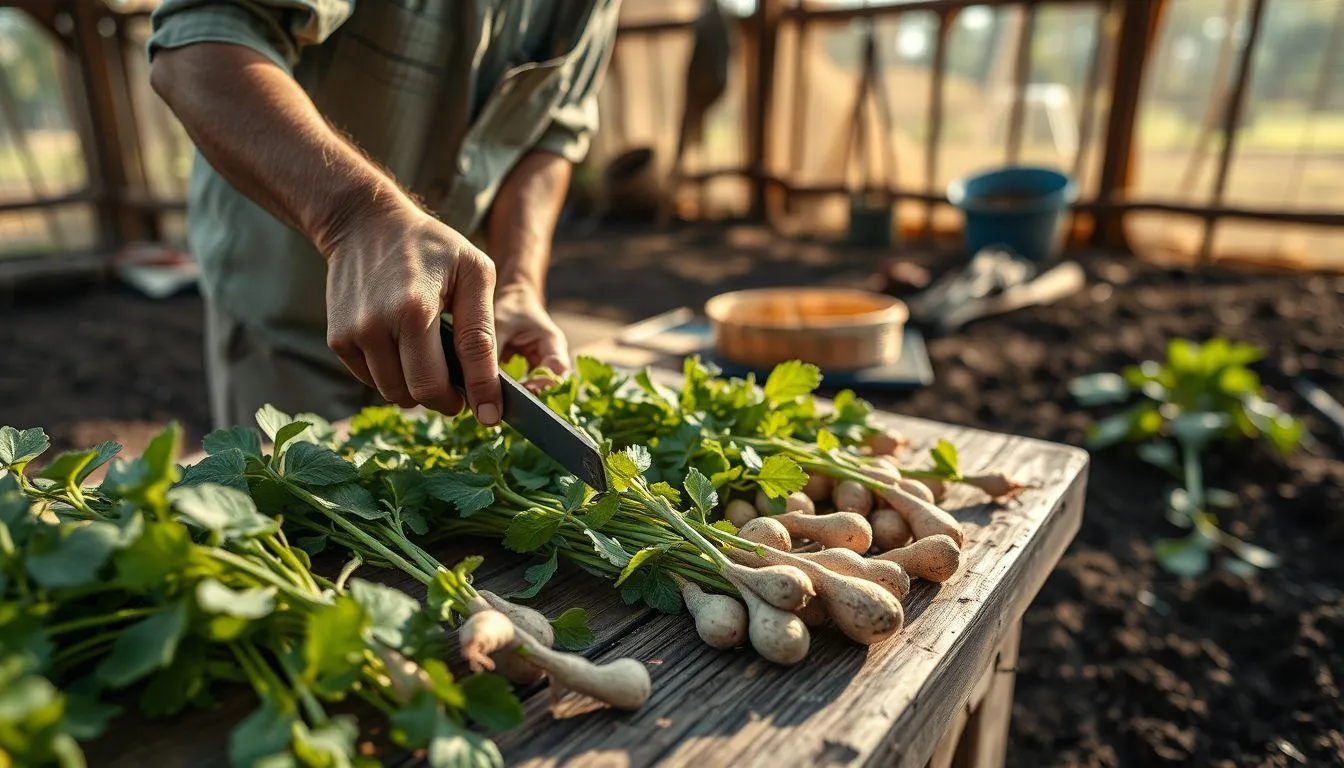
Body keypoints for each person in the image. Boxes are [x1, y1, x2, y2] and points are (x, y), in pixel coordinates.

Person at [147, 0, 620, 430]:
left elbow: (554, 129)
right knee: (292, 513)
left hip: (444, 339)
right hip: (291, 327)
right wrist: (354, 216)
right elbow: (196, 46)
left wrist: (518, 284)